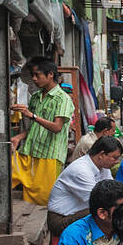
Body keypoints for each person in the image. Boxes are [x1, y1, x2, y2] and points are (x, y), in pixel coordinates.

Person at [11, 57, 75, 207]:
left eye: (37, 75)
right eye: (32, 75)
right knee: (10, 179)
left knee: (42, 201)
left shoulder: (63, 99)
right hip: (30, 151)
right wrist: (18, 137)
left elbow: (57, 127)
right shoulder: (36, 97)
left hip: (50, 156)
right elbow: (34, 127)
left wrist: (32, 115)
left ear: (50, 74)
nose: (34, 79)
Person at [47, 136, 123, 237]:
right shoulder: (80, 170)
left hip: (79, 213)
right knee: (106, 211)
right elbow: (102, 200)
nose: (117, 161)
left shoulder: (103, 168)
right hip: (60, 220)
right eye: (115, 157)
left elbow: (113, 191)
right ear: (102, 154)